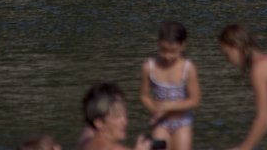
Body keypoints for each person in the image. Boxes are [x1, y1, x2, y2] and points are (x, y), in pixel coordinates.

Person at [140, 21, 201, 150]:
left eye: (173, 51)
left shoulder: (188, 68)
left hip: (182, 122)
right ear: (158, 43)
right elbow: (144, 96)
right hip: (161, 122)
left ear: (183, 45)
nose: (167, 56)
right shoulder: (149, 67)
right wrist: (156, 111)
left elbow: (194, 101)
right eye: (163, 50)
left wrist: (169, 107)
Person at [77, 83, 151, 150]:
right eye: (117, 116)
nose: (125, 121)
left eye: (124, 114)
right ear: (99, 123)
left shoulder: (84, 141)